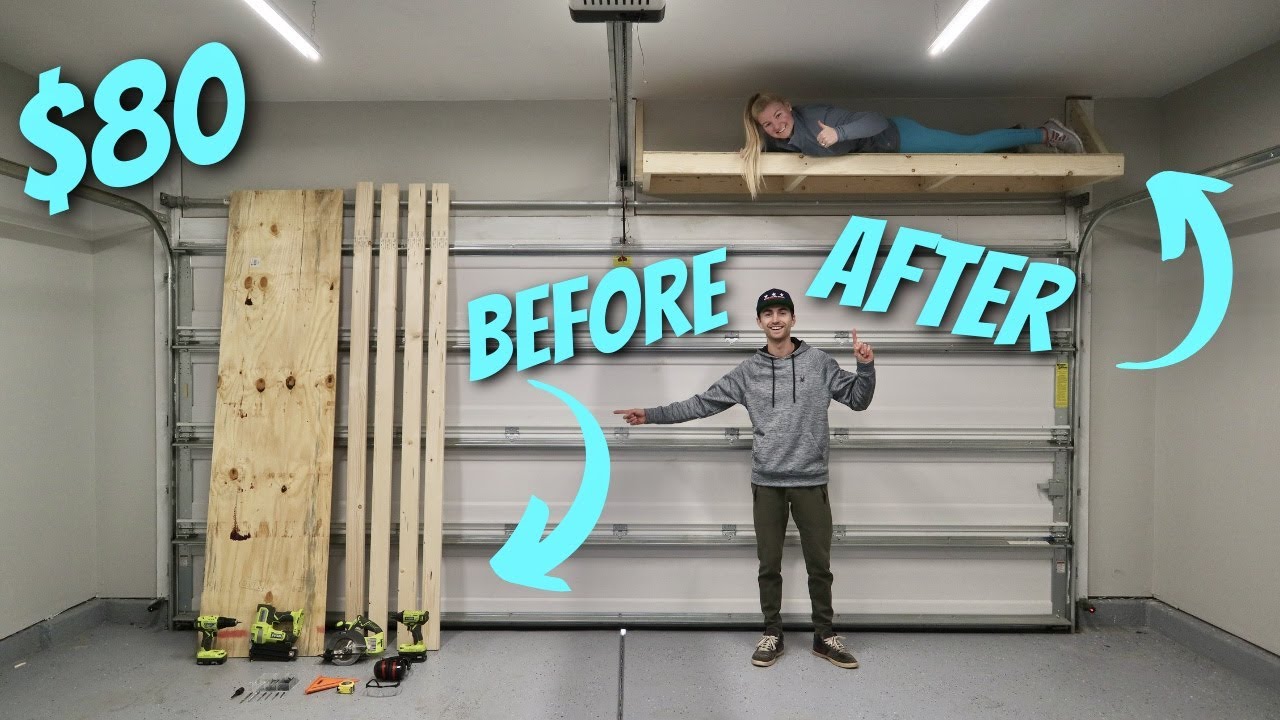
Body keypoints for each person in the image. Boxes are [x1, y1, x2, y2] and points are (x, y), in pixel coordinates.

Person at [613, 288, 877, 669]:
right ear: (759, 322)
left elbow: (858, 399)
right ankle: (772, 632)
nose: (775, 319)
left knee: (819, 564)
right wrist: (652, 414)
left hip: (811, 480)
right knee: (768, 564)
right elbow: (701, 404)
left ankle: (825, 636)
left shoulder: (819, 362)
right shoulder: (747, 372)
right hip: (767, 482)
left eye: (782, 312)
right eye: (768, 313)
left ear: (793, 319)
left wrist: (865, 367)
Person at [740, 90, 1087, 197]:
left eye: (779, 116)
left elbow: (876, 119)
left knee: (968, 148)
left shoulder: (820, 116)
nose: (777, 126)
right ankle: (1014, 138)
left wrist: (838, 134)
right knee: (974, 152)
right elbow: (771, 147)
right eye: (767, 125)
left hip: (896, 137)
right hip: (880, 158)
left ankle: (1045, 132)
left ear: (787, 106)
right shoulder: (776, 139)